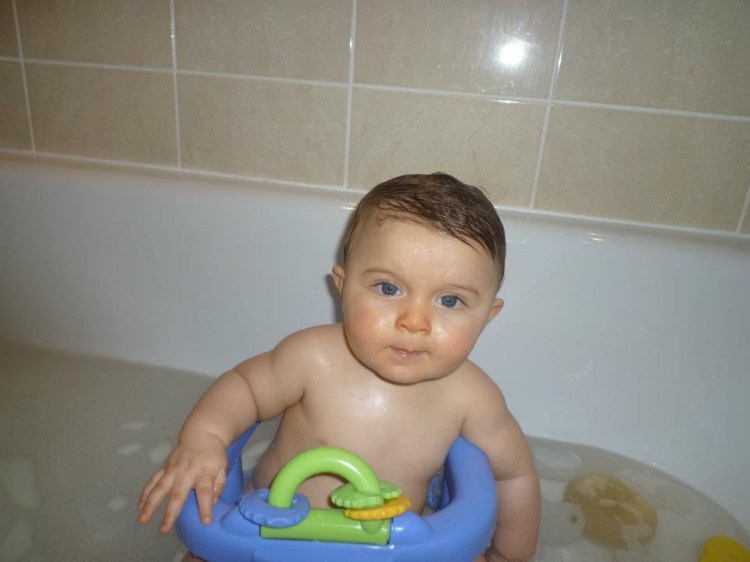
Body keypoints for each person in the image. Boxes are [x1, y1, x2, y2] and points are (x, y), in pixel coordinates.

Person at [138, 172, 540, 562]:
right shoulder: (311, 357)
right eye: (388, 288)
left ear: (488, 315)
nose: (414, 322)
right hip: (267, 533)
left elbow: (513, 475)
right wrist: (204, 440)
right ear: (343, 287)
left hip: (394, 548)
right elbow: (244, 387)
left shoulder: (473, 397)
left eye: (450, 301)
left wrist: (510, 553)